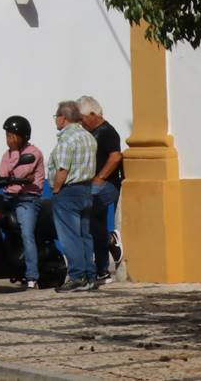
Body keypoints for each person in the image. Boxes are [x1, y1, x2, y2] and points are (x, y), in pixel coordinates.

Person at [47, 99, 98, 292]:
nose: (55, 121)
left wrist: (56, 190)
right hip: (86, 189)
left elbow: (62, 169)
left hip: (68, 191)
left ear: (63, 118)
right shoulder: (88, 137)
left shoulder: (67, 139)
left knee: (70, 236)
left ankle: (77, 276)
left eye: (56, 117)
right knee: (85, 235)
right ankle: (90, 276)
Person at [78, 95, 124, 284]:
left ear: (93, 114)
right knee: (92, 222)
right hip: (93, 185)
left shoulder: (107, 132)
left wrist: (100, 177)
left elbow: (115, 157)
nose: (81, 123)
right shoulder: (90, 133)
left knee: (86, 215)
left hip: (107, 185)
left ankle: (111, 240)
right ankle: (102, 271)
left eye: (82, 119)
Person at [0, 115, 46, 288]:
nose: (8, 139)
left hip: (28, 199)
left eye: (12, 136)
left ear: (23, 136)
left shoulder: (33, 153)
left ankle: (32, 275)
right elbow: (2, 175)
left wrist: (15, 154)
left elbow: (18, 174)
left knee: (26, 233)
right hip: (8, 197)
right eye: (7, 135)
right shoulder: (6, 154)